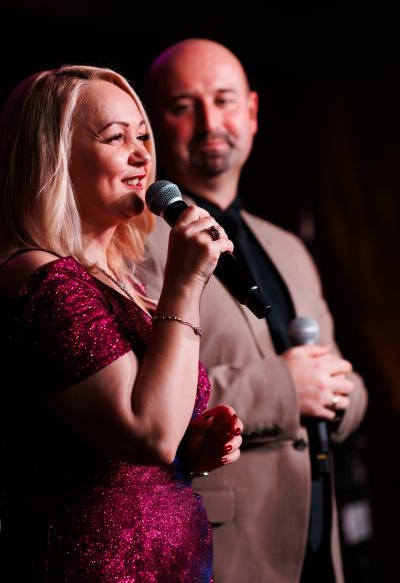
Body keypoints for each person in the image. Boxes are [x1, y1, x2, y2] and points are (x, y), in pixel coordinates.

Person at [0, 65, 244, 582]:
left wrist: (188, 452)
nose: (142, 156)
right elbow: (147, 432)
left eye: (143, 136)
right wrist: (184, 282)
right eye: (116, 138)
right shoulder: (40, 279)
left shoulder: (120, 283)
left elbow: (133, 446)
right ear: (55, 156)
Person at [140, 39, 368, 583]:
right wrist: (284, 389)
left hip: (319, 548)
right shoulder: (134, 245)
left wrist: (341, 394)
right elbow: (137, 402)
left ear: (252, 112)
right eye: (184, 106)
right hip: (224, 553)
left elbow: (346, 384)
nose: (209, 121)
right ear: (153, 124)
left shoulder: (289, 247)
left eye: (223, 100)